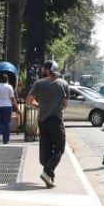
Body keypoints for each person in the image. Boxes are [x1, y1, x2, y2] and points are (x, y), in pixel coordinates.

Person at [26, 60, 68, 189]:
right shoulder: (63, 84)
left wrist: (40, 106)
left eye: (43, 68)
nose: (41, 70)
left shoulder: (39, 84)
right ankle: (47, 172)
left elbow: (28, 101)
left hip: (42, 121)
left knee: (46, 149)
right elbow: (65, 105)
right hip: (56, 120)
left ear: (47, 70)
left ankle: (48, 177)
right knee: (59, 148)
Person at [0, 73, 15, 144]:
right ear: (7, 80)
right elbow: (12, 98)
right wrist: (16, 107)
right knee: (7, 123)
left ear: (1, 79)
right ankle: (5, 140)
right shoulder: (9, 87)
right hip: (7, 106)